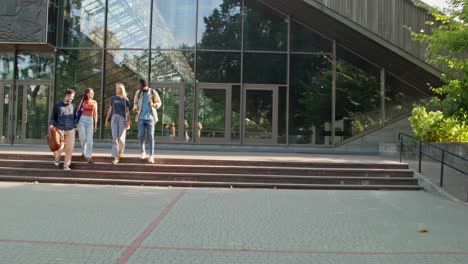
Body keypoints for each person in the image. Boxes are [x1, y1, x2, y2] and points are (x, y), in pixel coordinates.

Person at [133, 79, 161, 164]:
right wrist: (135, 110)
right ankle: (143, 152)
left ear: (144, 86)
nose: (139, 87)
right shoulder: (138, 93)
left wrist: (153, 104)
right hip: (141, 118)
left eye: (140, 86)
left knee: (151, 136)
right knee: (140, 135)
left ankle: (151, 155)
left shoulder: (153, 92)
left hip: (150, 118)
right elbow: (135, 103)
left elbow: (159, 102)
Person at [49, 88, 77, 171]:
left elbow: (76, 117)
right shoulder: (57, 105)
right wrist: (51, 124)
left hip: (70, 129)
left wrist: (74, 124)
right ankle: (57, 157)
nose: (72, 98)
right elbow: (53, 116)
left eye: (73, 97)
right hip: (59, 128)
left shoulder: (74, 106)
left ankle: (66, 165)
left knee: (70, 148)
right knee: (60, 146)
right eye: (71, 96)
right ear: (67, 95)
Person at [105, 82, 131, 165]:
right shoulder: (113, 98)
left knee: (121, 139)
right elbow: (110, 109)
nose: (116, 90)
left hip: (122, 119)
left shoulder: (125, 99)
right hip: (114, 118)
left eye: (118, 88)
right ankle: (116, 157)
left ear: (121, 89)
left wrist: (128, 121)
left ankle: (120, 152)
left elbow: (127, 111)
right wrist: (107, 119)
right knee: (115, 138)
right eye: (116, 88)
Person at [77, 88, 98, 163]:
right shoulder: (83, 101)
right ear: (87, 93)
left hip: (90, 121)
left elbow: (95, 114)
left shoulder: (94, 102)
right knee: (83, 138)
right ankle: (84, 150)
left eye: (93, 93)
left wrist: (95, 125)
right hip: (82, 120)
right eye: (91, 93)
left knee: (89, 139)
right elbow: (78, 111)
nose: (92, 94)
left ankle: (88, 156)